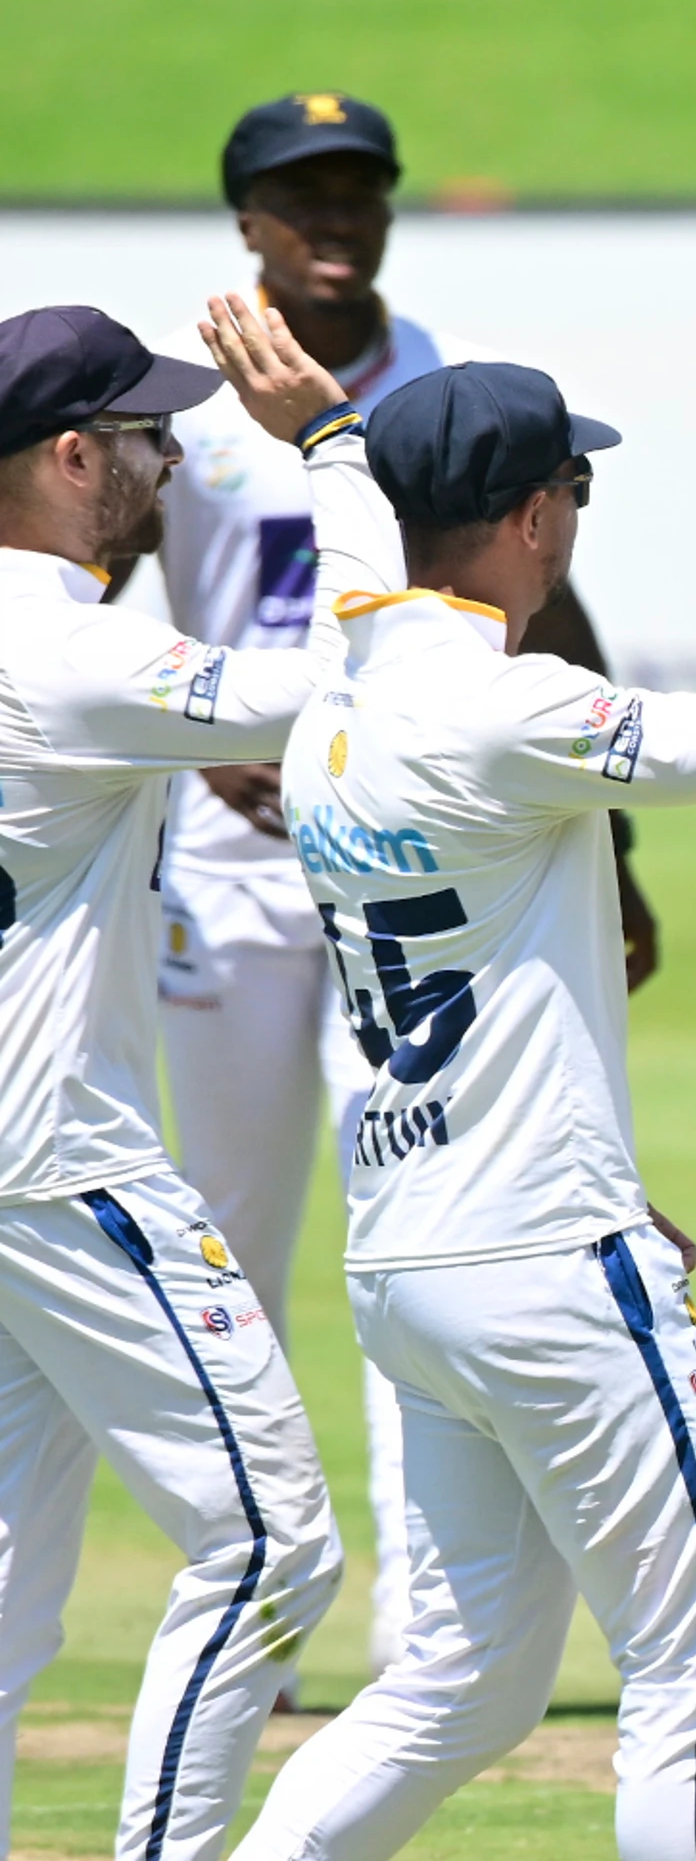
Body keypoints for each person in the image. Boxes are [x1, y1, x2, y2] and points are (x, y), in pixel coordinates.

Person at [221, 316, 696, 1861]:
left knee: (458, 1682)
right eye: (571, 496)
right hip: (545, 1262)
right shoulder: (504, 709)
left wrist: (333, 441)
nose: (574, 521)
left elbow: (359, 552)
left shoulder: (335, 690)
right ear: (534, 518)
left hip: (412, 1263)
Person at [151, 93, 660, 1687]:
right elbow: (112, 607)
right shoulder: (204, 400)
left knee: (413, 1212)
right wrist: (199, 739)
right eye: (300, 195)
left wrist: (620, 849)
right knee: (229, 1244)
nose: (335, 219)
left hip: (409, 862)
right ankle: (250, 1604)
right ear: (245, 218)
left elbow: (541, 600)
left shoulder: (437, 373)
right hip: (231, 862)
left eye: (357, 189)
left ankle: (421, 1630)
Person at [0, 304, 347, 1861]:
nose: (167, 462)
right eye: (146, 438)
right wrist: (333, 455)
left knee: (5, 1584)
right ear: (72, 457)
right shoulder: (70, 644)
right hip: (62, 1166)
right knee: (273, 1545)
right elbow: (361, 685)